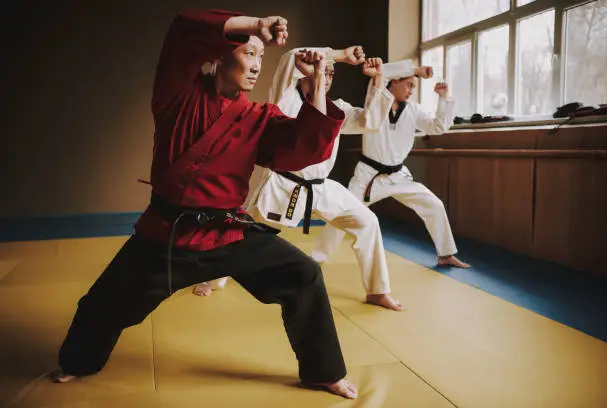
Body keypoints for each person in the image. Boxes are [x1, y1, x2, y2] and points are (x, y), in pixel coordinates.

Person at [50, 9, 358, 400]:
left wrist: (315, 84)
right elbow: (183, 30)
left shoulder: (259, 117)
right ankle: (77, 362)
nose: (256, 66)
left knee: (304, 274)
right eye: (249, 54)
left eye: (262, 58)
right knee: (102, 304)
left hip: (227, 233)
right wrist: (254, 26)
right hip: (166, 234)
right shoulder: (178, 92)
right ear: (221, 54)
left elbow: (303, 150)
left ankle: (323, 372)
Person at [195, 47, 417, 311]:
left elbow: (370, 121)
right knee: (244, 234)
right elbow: (291, 58)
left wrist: (378, 79)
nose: (328, 77)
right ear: (305, 73)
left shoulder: (337, 108)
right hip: (284, 187)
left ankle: (377, 291)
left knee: (367, 222)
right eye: (324, 70)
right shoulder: (285, 97)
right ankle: (212, 278)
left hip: (322, 188)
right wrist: (342, 55)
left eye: (332, 73)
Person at [313, 62, 471, 269]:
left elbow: (437, 127)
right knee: (343, 213)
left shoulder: (413, 110)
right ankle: (317, 258)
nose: (411, 90)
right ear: (393, 82)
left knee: (434, 205)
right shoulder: (376, 101)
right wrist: (416, 70)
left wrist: (443, 98)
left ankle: (446, 254)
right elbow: (382, 72)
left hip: (398, 176)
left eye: (413, 86)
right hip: (368, 176)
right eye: (408, 84)